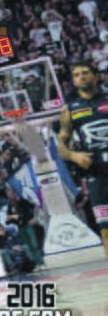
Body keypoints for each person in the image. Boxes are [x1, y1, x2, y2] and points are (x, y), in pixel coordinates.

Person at [57, 61, 108, 259]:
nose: (81, 77)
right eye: (76, 75)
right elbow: (61, 148)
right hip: (96, 173)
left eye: (85, 73)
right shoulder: (70, 109)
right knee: (105, 227)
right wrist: (74, 155)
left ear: (95, 76)